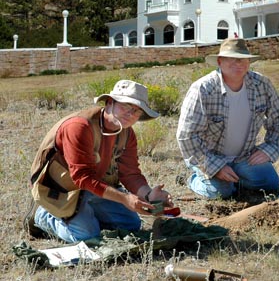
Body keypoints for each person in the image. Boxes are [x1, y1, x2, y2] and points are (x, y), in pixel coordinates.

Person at [28, 80, 173, 243]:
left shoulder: (127, 134)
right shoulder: (79, 126)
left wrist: (148, 194)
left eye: (137, 112)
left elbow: (130, 173)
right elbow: (82, 177)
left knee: (130, 225)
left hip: (91, 188)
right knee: (85, 236)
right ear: (110, 103)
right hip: (61, 190)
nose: (130, 114)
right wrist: (124, 199)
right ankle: (42, 216)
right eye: (125, 107)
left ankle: (84, 214)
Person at [177, 38, 279, 199]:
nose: (238, 63)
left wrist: (270, 149)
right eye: (231, 58)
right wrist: (215, 167)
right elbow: (186, 136)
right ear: (219, 61)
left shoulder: (262, 84)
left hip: (244, 155)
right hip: (210, 156)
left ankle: (232, 180)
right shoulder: (202, 89)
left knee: (270, 183)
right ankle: (194, 178)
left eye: (243, 59)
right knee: (220, 193)